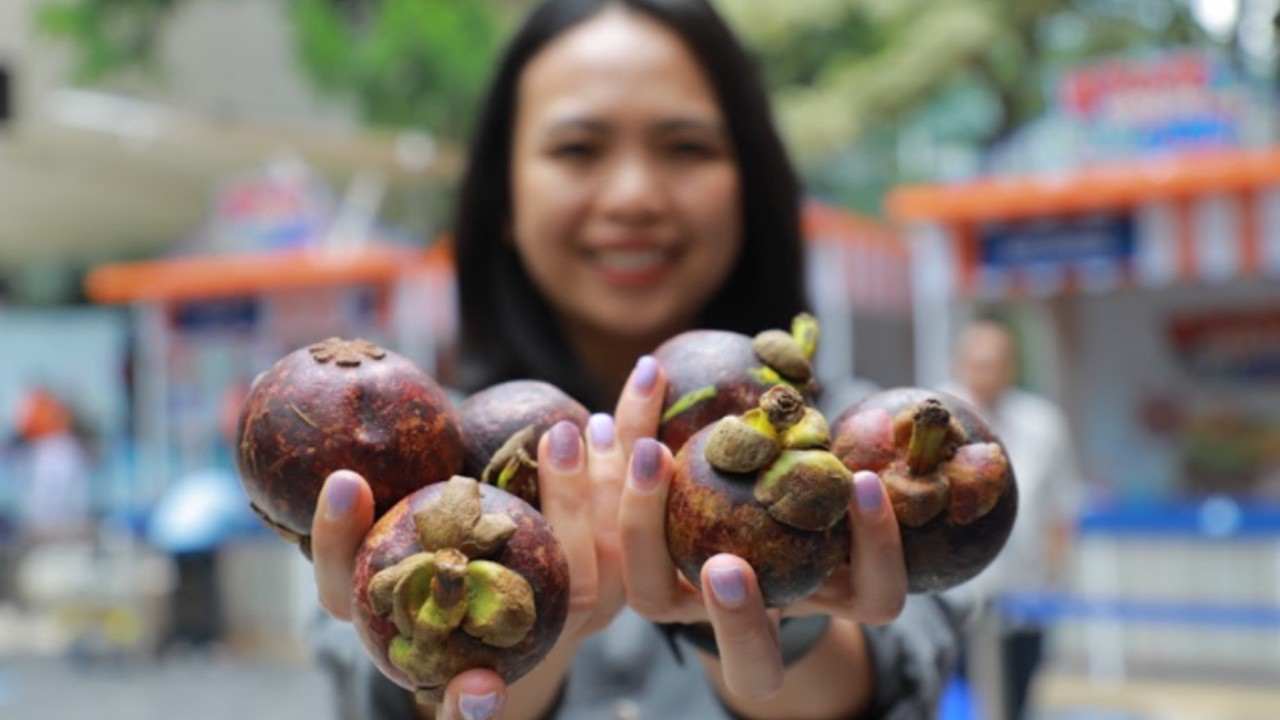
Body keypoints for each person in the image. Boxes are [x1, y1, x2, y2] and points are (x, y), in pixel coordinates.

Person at [309, 2, 966, 718]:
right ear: (503, 194)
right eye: (578, 149)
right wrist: (508, 639)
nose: (634, 197)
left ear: (748, 182)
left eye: (685, 147)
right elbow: (369, 690)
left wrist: (785, 618)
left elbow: (908, 664)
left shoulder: (868, 446)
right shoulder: (407, 465)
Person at [943, 318, 1084, 720]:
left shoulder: (1043, 423)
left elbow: (1061, 507)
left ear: (1012, 366)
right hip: (954, 598)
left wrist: (1053, 582)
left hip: (1024, 593)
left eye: (996, 363)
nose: (985, 373)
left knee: (1016, 700)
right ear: (959, 364)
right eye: (977, 363)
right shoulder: (929, 414)